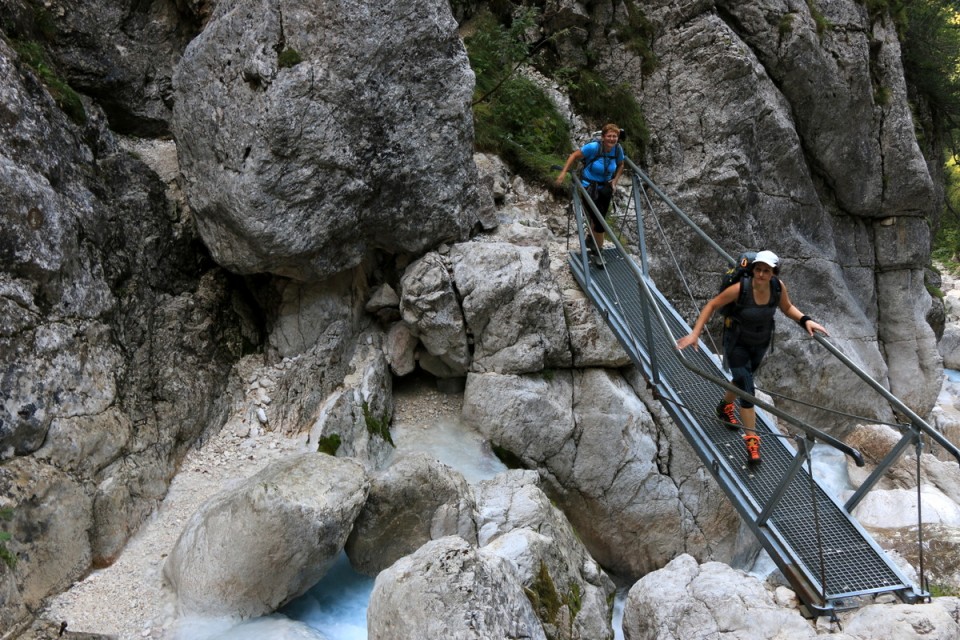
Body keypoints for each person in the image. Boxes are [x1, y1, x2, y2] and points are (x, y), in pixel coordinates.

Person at [675, 250, 828, 463]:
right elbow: (712, 304)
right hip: (736, 342)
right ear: (753, 269)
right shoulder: (741, 289)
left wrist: (806, 320)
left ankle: (724, 407)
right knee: (748, 390)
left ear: (774, 273)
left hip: (759, 343)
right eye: (758, 269)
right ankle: (752, 441)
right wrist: (695, 333)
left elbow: (787, 307)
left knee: (740, 380)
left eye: (766, 271)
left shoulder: (777, 287)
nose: (761, 274)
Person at [556, 123, 625, 268]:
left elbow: (621, 164)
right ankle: (598, 253)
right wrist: (563, 172)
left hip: (605, 187)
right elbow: (574, 155)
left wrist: (615, 181)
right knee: (599, 222)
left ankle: (590, 239)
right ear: (603, 137)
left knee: (598, 217)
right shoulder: (593, 147)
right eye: (609, 136)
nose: (612, 139)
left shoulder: (617, 149)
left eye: (615, 136)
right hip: (588, 186)